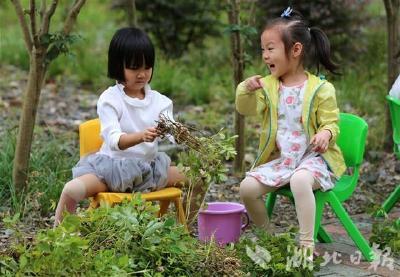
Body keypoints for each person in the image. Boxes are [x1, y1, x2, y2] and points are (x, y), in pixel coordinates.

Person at [54, 27, 202, 226]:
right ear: (118, 66)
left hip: (150, 169)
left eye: (147, 67)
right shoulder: (110, 99)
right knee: (72, 190)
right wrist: (141, 136)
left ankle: (187, 229)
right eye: (134, 68)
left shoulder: (160, 101)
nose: (142, 74)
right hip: (113, 170)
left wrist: (183, 134)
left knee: (199, 178)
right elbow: (115, 141)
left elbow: (171, 131)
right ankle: (60, 236)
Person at [236, 7, 346, 258]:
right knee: (247, 188)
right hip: (284, 160)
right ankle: (268, 237)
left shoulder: (321, 89)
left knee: (299, 180)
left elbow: (333, 123)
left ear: (295, 50)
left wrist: (325, 135)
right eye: (262, 49)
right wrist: (246, 89)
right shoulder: (269, 86)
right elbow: (246, 109)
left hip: (314, 160)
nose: (265, 55)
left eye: (270, 48)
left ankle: (306, 245)